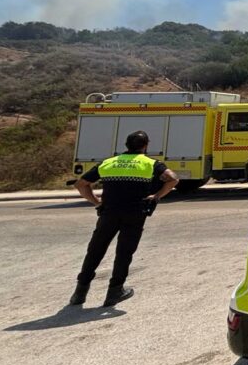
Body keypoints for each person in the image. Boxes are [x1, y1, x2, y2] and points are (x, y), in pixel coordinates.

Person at [69, 130, 178, 307]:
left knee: (95, 249)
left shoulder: (108, 163)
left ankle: (79, 292)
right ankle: (114, 291)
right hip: (134, 213)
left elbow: (81, 184)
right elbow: (173, 179)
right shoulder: (150, 163)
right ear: (145, 146)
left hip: (109, 213)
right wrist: (157, 196)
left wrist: (96, 202)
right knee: (124, 252)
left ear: (126, 145)